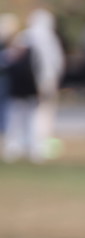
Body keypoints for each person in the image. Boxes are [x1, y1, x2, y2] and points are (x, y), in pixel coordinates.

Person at [2, 8, 64, 164]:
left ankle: (17, 147)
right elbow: (54, 64)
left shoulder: (25, 36)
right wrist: (47, 83)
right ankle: (35, 149)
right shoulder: (49, 39)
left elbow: (10, 58)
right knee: (37, 116)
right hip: (37, 85)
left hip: (20, 86)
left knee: (17, 116)